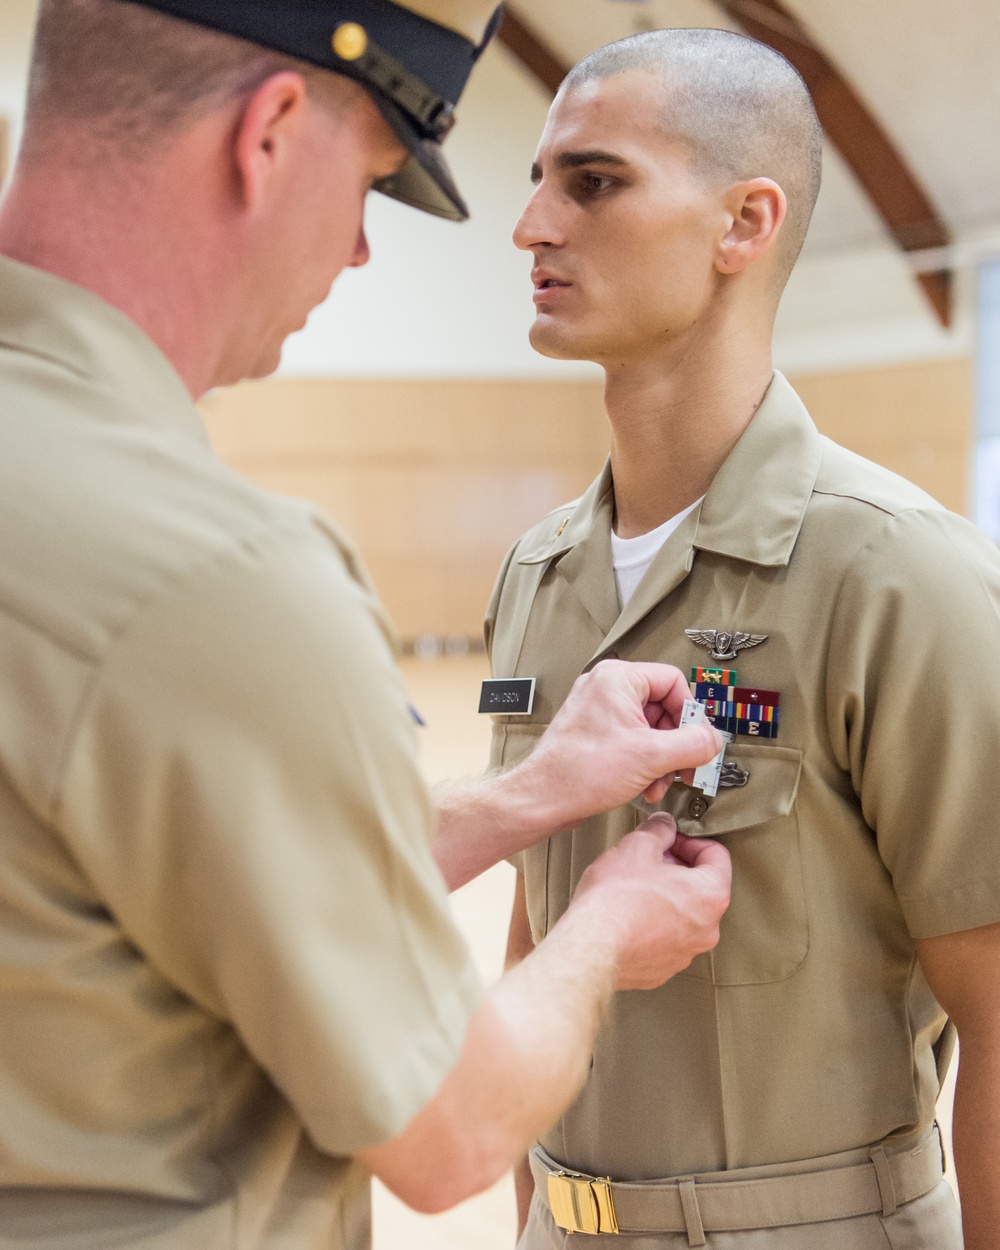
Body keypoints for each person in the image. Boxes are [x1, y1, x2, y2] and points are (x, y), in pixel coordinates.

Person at [0, 3, 735, 1248]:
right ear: (271, 131)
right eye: (370, 187)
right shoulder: (211, 579)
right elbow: (447, 1133)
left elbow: (158, 868)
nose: (353, 253)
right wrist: (605, 925)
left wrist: (532, 792)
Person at [491, 27, 1000, 1250]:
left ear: (743, 223)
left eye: (593, 181)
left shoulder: (895, 572)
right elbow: (532, 916)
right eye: (539, 181)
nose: (534, 227)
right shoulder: (538, 570)